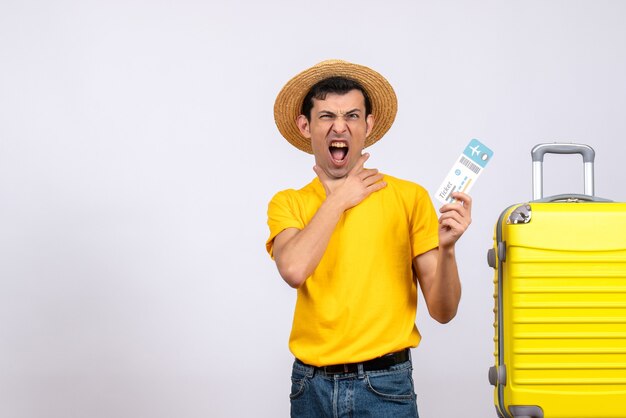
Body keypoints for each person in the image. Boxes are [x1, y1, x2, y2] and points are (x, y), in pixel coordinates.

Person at [266, 59, 472, 417]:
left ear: (369, 124)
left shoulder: (409, 197)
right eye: (327, 116)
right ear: (306, 125)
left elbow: (443, 312)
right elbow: (295, 269)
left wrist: (449, 249)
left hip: (385, 388)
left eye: (352, 116)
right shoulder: (289, 202)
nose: (339, 127)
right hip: (309, 388)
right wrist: (340, 199)